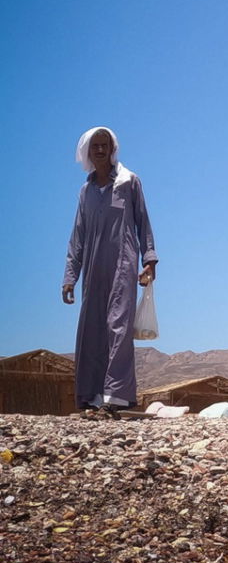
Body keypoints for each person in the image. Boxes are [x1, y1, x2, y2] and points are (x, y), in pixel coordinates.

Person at [61, 127, 158, 417]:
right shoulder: (86, 191)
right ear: (87, 152)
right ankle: (92, 397)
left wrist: (149, 261)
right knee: (91, 330)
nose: (100, 150)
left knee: (118, 327)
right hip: (92, 270)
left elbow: (143, 222)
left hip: (123, 266)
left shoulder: (129, 182)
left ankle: (115, 398)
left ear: (112, 148)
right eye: (95, 146)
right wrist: (70, 275)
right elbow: (77, 235)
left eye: (105, 145)